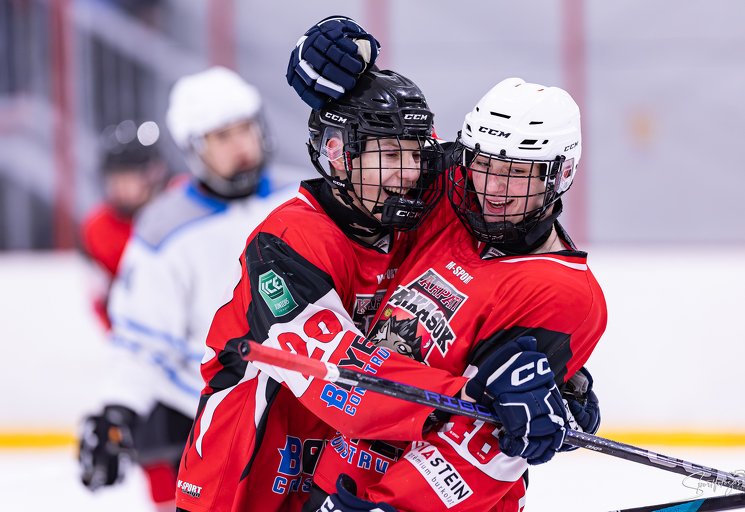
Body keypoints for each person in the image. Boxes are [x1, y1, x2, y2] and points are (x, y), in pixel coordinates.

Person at [286, 21, 606, 512]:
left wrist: (393, 506)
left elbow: (482, 443)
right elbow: (387, 146)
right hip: (337, 477)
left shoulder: (563, 292)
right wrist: (340, 72)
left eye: (516, 173)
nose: (493, 188)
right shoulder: (453, 201)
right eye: (484, 165)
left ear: (559, 174)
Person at [173, 65, 476, 512]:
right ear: (338, 154)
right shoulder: (288, 240)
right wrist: (467, 396)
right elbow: (338, 373)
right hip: (243, 479)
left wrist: (551, 372)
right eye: (391, 155)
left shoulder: (399, 224)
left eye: (416, 155)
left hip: (333, 473)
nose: (411, 173)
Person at [78, 66, 294, 510]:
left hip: (309, 413)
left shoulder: (301, 198)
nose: (241, 145)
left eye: (245, 129)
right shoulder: (164, 230)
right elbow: (142, 341)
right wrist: (115, 411)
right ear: (195, 148)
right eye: (222, 136)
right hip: (212, 423)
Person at [80, 121, 166, 329]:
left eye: (128, 177)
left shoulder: (178, 211)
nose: (120, 187)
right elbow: (100, 293)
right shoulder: (97, 228)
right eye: (115, 178)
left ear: (152, 174)